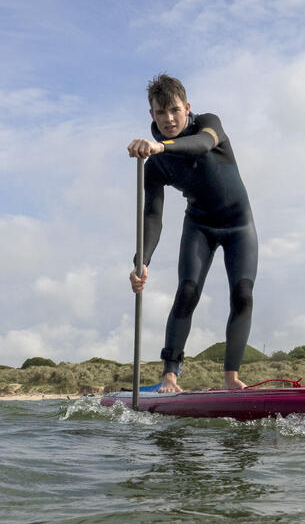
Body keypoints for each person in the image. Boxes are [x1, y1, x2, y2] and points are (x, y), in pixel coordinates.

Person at [128, 74, 257, 393]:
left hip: (239, 225)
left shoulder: (208, 124)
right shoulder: (155, 163)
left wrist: (160, 146)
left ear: (187, 107)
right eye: (161, 112)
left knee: (242, 294)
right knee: (187, 292)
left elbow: (202, 146)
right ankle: (170, 378)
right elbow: (153, 216)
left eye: (174, 110)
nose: (169, 119)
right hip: (199, 225)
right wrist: (141, 261)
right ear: (152, 114)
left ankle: (231, 378)